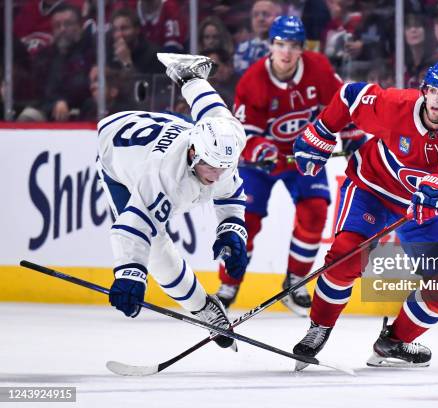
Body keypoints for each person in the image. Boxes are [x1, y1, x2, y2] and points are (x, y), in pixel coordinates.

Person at [291, 57, 438, 369]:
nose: (436, 100)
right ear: (424, 89)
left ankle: (394, 342)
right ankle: (319, 326)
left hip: (419, 209)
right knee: (346, 255)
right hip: (371, 189)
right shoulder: (396, 105)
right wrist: (323, 129)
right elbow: (350, 96)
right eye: (432, 90)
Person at [215, 16, 366, 316]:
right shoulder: (252, 81)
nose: (286, 52)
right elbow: (245, 132)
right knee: (246, 221)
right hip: (260, 163)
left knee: (315, 210)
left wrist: (351, 137)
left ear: (301, 48)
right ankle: (228, 285)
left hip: (304, 155)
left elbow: (342, 104)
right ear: (270, 45)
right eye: (280, 44)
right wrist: (262, 149)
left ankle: (295, 281)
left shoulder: (319, 68)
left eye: (293, 46)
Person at [95, 54, 248, 350]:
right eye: (210, 168)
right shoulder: (165, 175)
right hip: (117, 159)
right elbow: (132, 227)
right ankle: (203, 309)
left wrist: (231, 229)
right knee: (154, 247)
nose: (216, 177)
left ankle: (189, 75)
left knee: (218, 116)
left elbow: (213, 112)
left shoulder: (226, 143)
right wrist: (130, 274)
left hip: (167, 127)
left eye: (223, 168)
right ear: (193, 154)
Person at [233, 0, 282, 76]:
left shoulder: (286, 50)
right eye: (255, 15)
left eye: (266, 14)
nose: (260, 19)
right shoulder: (242, 49)